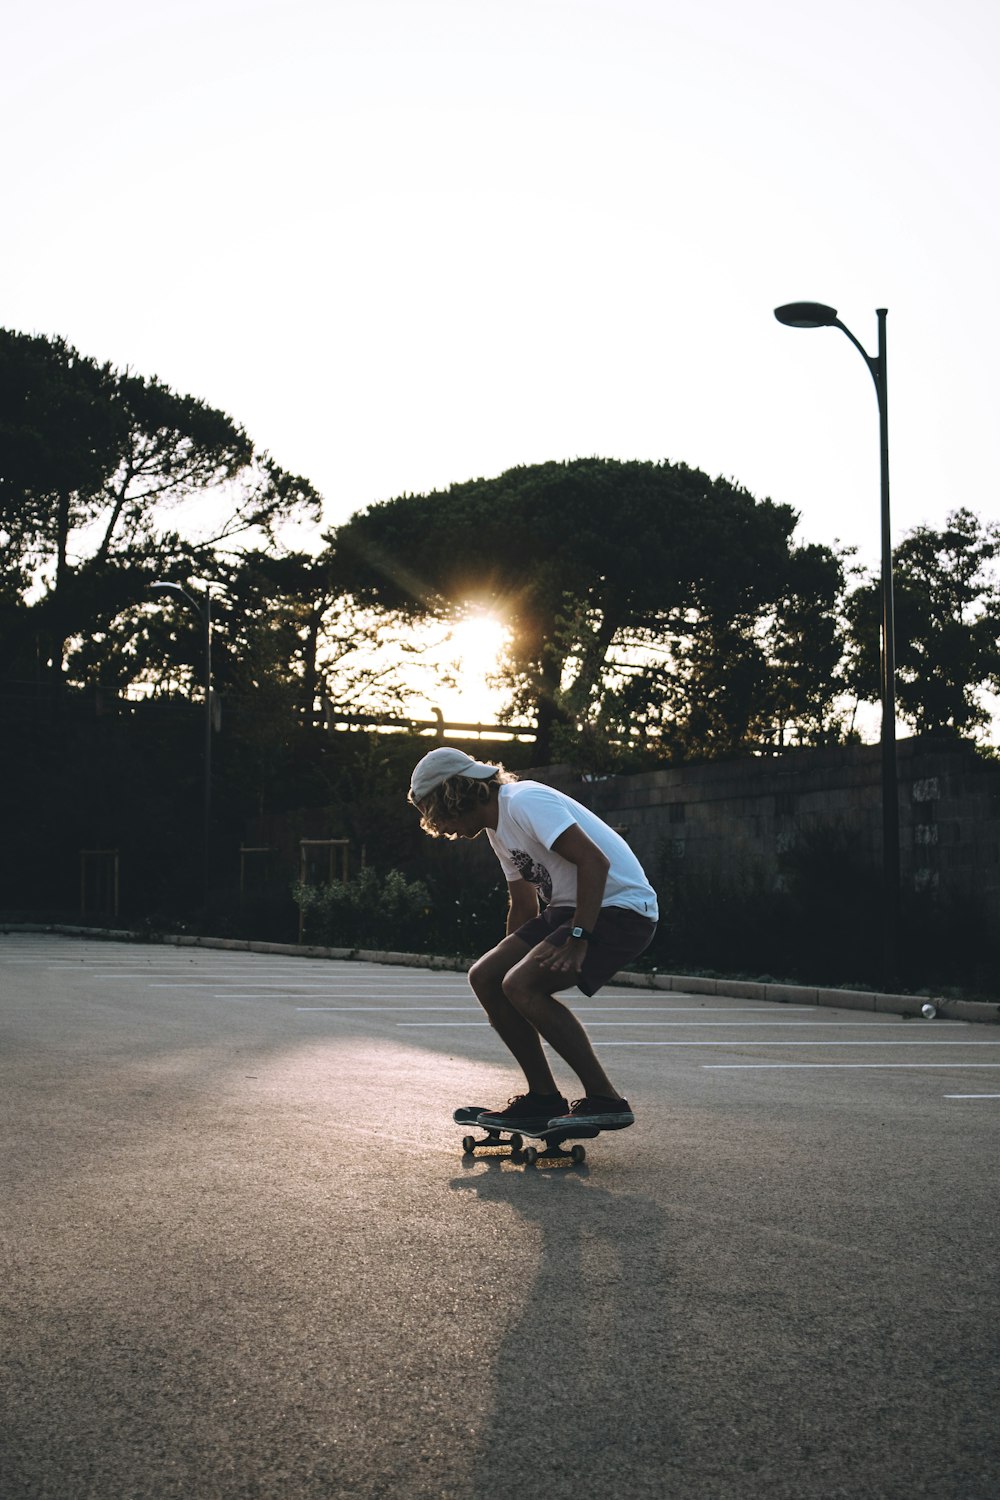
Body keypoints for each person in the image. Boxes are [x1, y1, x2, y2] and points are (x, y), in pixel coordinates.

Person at [408, 746, 659, 1135]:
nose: (439, 828)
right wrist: (505, 968)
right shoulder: (497, 829)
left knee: (521, 985)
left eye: (435, 815)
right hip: (566, 907)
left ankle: (606, 1100)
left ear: (452, 794)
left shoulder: (525, 801)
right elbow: (523, 905)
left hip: (620, 906)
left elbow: (595, 862)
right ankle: (542, 1098)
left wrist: (578, 938)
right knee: (486, 977)